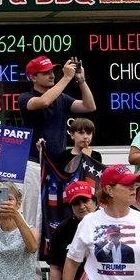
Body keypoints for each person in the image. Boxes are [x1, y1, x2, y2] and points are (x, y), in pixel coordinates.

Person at [23, 55, 97, 234]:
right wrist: (66, 78)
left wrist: (81, 81)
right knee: (33, 212)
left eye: (52, 71)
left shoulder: (62, 97)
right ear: (33, 77)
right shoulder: (25, 98)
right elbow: (43, 102)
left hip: (59, 167)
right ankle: (32, 259)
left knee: (58, 211)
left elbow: (89, 106)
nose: (51, 75)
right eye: (45, 72)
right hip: (34, 164)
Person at [52, 117, 105, 182]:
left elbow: (95, 179)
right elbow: (59, 178)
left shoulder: (95, 155)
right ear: (72, 135)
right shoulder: (64, 155)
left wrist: (88, 158)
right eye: (81, 133)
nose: (85, 137)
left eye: (89, 133)